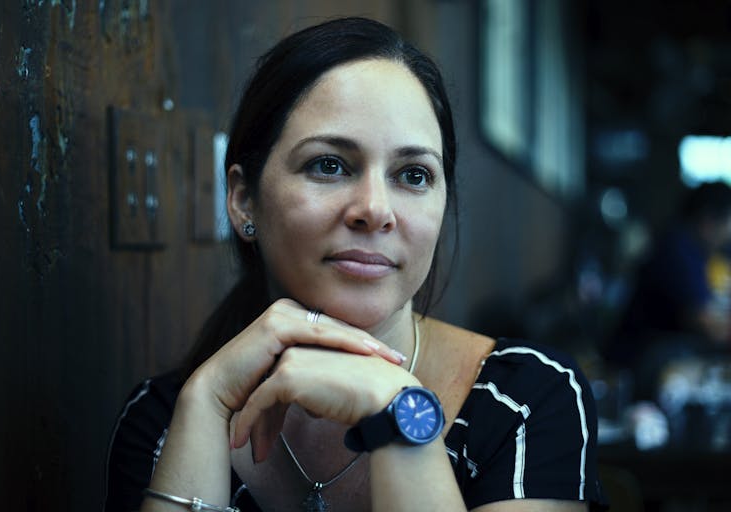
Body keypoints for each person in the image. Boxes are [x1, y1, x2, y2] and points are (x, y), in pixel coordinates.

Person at [105, 17, 606, 512]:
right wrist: (208, 400)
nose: (376, 209)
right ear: (242, 200)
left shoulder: (525, 401)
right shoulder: (168, 419)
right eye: (329, 165)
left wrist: (400, 418)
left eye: (413, 174)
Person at [607, 182, 731, 398]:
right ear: (709, 221)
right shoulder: (678, 250)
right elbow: (709, 326)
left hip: (652, 353)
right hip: (641, 361)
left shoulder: (688, 248)